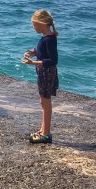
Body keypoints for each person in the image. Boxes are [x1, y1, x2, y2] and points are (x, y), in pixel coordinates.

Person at [21, 9, 59, 144]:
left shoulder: (49, 39)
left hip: (47, 73)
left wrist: (33, 63)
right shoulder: (46, 37)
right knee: (43, 102)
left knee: (46, 103)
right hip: (43, 72)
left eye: (34, 25)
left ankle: (46, 134)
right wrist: (33, 52)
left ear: (42, 23)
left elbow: (53, 60)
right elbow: (43, 52)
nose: (34, 27)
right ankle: (42, 130)